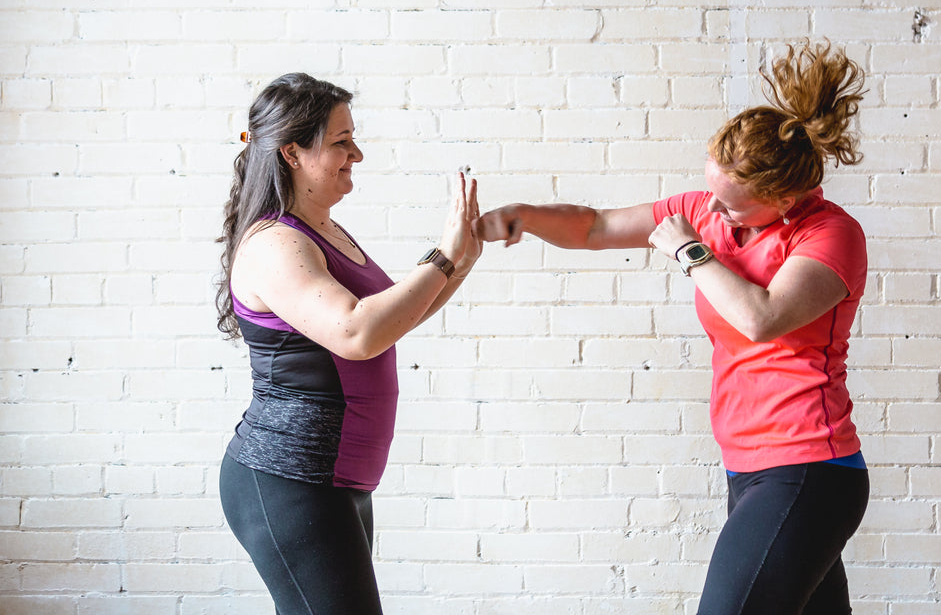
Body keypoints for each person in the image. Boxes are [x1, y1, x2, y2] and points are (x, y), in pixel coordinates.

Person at [475, 40, 871, 615]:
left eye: (732, 203)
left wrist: (690, 250)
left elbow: (762, 318)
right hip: (748, 468)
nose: (713, 207)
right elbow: (595, 227)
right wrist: (525, 217)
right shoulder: (713, 211)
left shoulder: (829, 235)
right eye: (711, 189)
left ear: (785, 198)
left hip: (809, 469)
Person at [215, 72, 481, 615]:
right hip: (288, 477)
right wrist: (443, 256)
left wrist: (462, 258)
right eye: (341, 141)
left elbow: (392, 319)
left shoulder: (325, 231)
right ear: (292, 152)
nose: (356, 153)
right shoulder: (276, 243)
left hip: (336, 479)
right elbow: (356, 333)